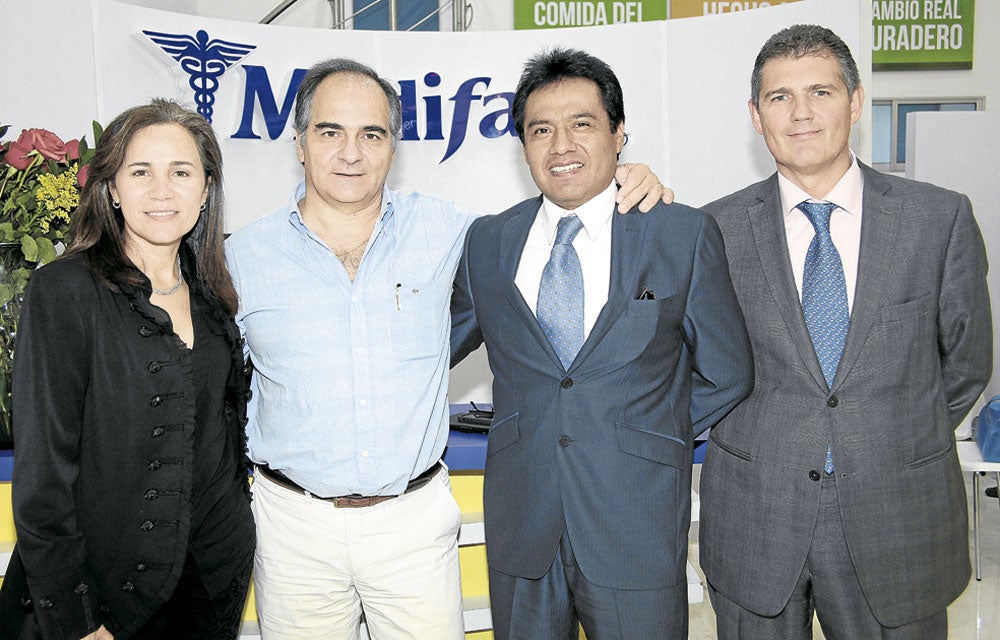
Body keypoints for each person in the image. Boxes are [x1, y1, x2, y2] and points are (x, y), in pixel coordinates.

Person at [224, 57, 669, 640]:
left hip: (413, 526)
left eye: (371, 134)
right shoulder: (241, 256)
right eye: (330, 132)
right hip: (291, 527)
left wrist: (624, 178)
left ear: (394, 146)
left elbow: (554, 217)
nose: (351, 153)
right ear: (300, 142)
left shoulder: (453, 234)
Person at [698, 24, 993, 639]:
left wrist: (889, 436)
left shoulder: (937, 218)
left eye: (821, 92)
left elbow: (966, 362)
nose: (801, 113)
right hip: (756, 517)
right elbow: (693, 361)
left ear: (855, 103)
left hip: (897, 515)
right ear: (756, 115)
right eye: (780, 97)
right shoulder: (710, 231)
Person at [450, 47, 754, 640]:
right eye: (541, 130)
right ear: (523, 147)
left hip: (635, 519)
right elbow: (432, 351)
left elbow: (729, 371)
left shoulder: (679, 233)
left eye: (582, 124)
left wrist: (645, 434)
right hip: (522, 524)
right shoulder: (487, 241)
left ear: (618, 135)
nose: (560, 145)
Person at [0, 100, 255, 639]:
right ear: (112, 188)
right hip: (102, 600)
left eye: (181, 172)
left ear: (206, 189)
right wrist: (78, 622)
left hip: (208, 592)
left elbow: (222, 439)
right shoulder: (65, 290)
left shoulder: (215, 295)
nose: (162, 191)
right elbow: (44, 479)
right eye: (140, 172)